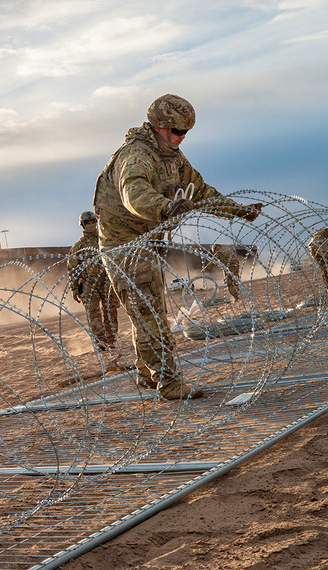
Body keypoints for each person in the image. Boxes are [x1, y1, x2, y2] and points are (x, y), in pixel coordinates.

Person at [93, 94, 262, 400]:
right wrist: (167, 208)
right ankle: (168, 382)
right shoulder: (136, 155)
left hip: (148, 244)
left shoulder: (172, 158)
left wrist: (235, 210)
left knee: (146, 313)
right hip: (125, 248)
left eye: (186, 133)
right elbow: (135, 195)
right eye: (177, 132)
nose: (182, 138)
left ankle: (148, 374)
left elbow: (200, 190)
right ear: (159, 126)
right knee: (150, 315)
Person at [67, 211, 120, 351]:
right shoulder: (78, 246)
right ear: (83, 225)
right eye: (88, 223)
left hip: (106, 280)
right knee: (94, 314)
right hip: (89, 282)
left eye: (93, 222)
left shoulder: (104, 240)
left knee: (111, 310)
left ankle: (111, 340)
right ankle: (100, 342)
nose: (91, 225)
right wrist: (74, 289)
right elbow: (72, 269)